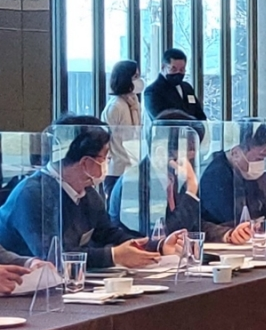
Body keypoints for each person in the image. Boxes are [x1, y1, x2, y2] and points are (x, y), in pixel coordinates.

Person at [0, 116, 185, 269]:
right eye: (105, 158)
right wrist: (113, 256)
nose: (107, 164)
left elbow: (108, 233)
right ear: (86, 163)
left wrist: (157, 246)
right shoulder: (32, 195)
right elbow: (54, 255)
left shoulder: (87, 192)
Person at [108, 110, 251, 245]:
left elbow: (193, 224)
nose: (193, 156)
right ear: (161, 150)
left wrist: (227, 234)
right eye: (188, 149)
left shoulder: (172, 177)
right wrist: (191, 190)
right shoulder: (135, 182)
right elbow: (164, 235)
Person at [101, 59, 143, 196]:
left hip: (132, 165)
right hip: (116, 169)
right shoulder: (116, 106)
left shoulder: (133, 103)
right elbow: (105, 137)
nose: (139, 80)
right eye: (135, 76)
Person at [143, 48, 207, 121]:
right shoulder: (152, 91)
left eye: (182, 70)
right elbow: (161, 119)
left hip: (192, 128)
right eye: (173, 69)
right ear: (163, 67)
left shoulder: (187, 88)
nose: (178, 72)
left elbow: (200, 115)